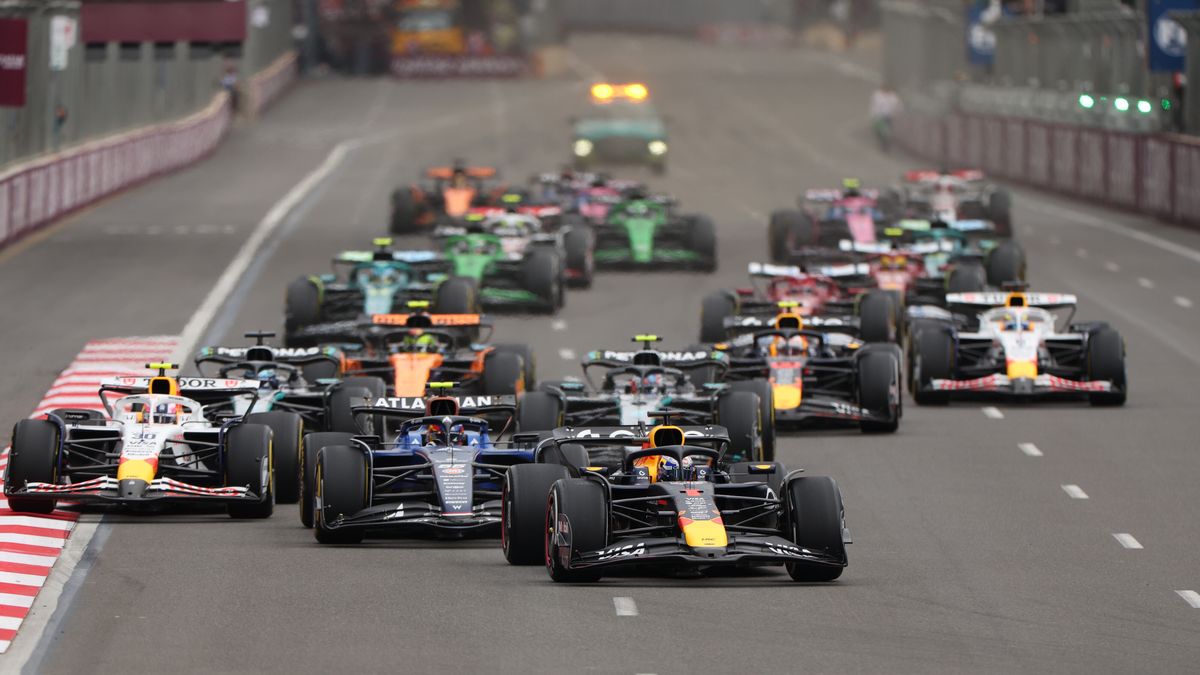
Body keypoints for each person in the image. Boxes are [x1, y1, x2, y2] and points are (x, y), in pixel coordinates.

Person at [869, 83, 902, 153]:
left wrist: (897, 113)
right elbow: (874, 105)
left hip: (888, 117)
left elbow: (898, 106)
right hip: (879, 116)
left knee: (886, 132)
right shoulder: (878, 95)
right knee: (878, 130)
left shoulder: (893, 97)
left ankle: (885, 145)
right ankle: (883, 142)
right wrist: (873, 115)